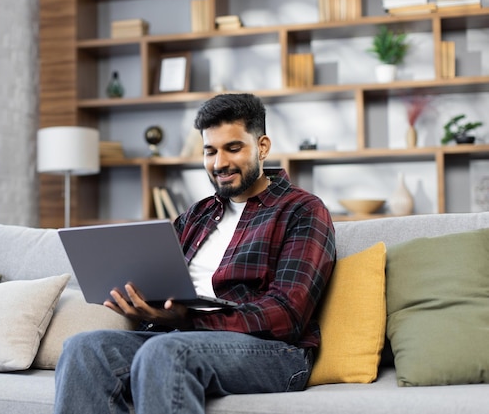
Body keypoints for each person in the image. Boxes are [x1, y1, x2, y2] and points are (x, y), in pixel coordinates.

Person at [54, 93, 336, 414]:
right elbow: (163, 282)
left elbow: (287, 314)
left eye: (233, 148)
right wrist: (146, 307)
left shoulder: (302, 210)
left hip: (275, 352)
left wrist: (190, 321)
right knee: (84, 348)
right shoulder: (196, 215)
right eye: (210, 151)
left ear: (262, 146)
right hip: (178, 336)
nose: (219, 164)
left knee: (166, 351)